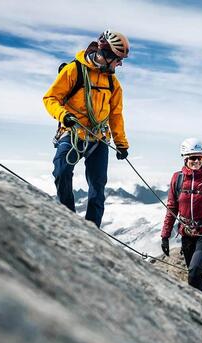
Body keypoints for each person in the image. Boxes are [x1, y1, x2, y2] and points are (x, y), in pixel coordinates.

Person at [42, 30, 130, 228]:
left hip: (98, 138)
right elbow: (50, 98)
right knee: (61, 172)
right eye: (118, 59)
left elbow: (115, 115)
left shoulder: (113, 83)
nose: (120, 64)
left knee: (97, 187)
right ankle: (69, 220)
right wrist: (64, 115)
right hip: (72, 133)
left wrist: (121, 143)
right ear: (107, 55)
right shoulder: (74, 70)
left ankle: (93, 230)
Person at [161, 138, 202, 293]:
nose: (196, 161)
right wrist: (165, 236)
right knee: (195, 275)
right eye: (192, 157)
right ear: (185, 158)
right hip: (187, 234)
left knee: (194, 269)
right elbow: (171, 208)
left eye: (200, 157)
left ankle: (200, 306)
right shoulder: (177, 178)